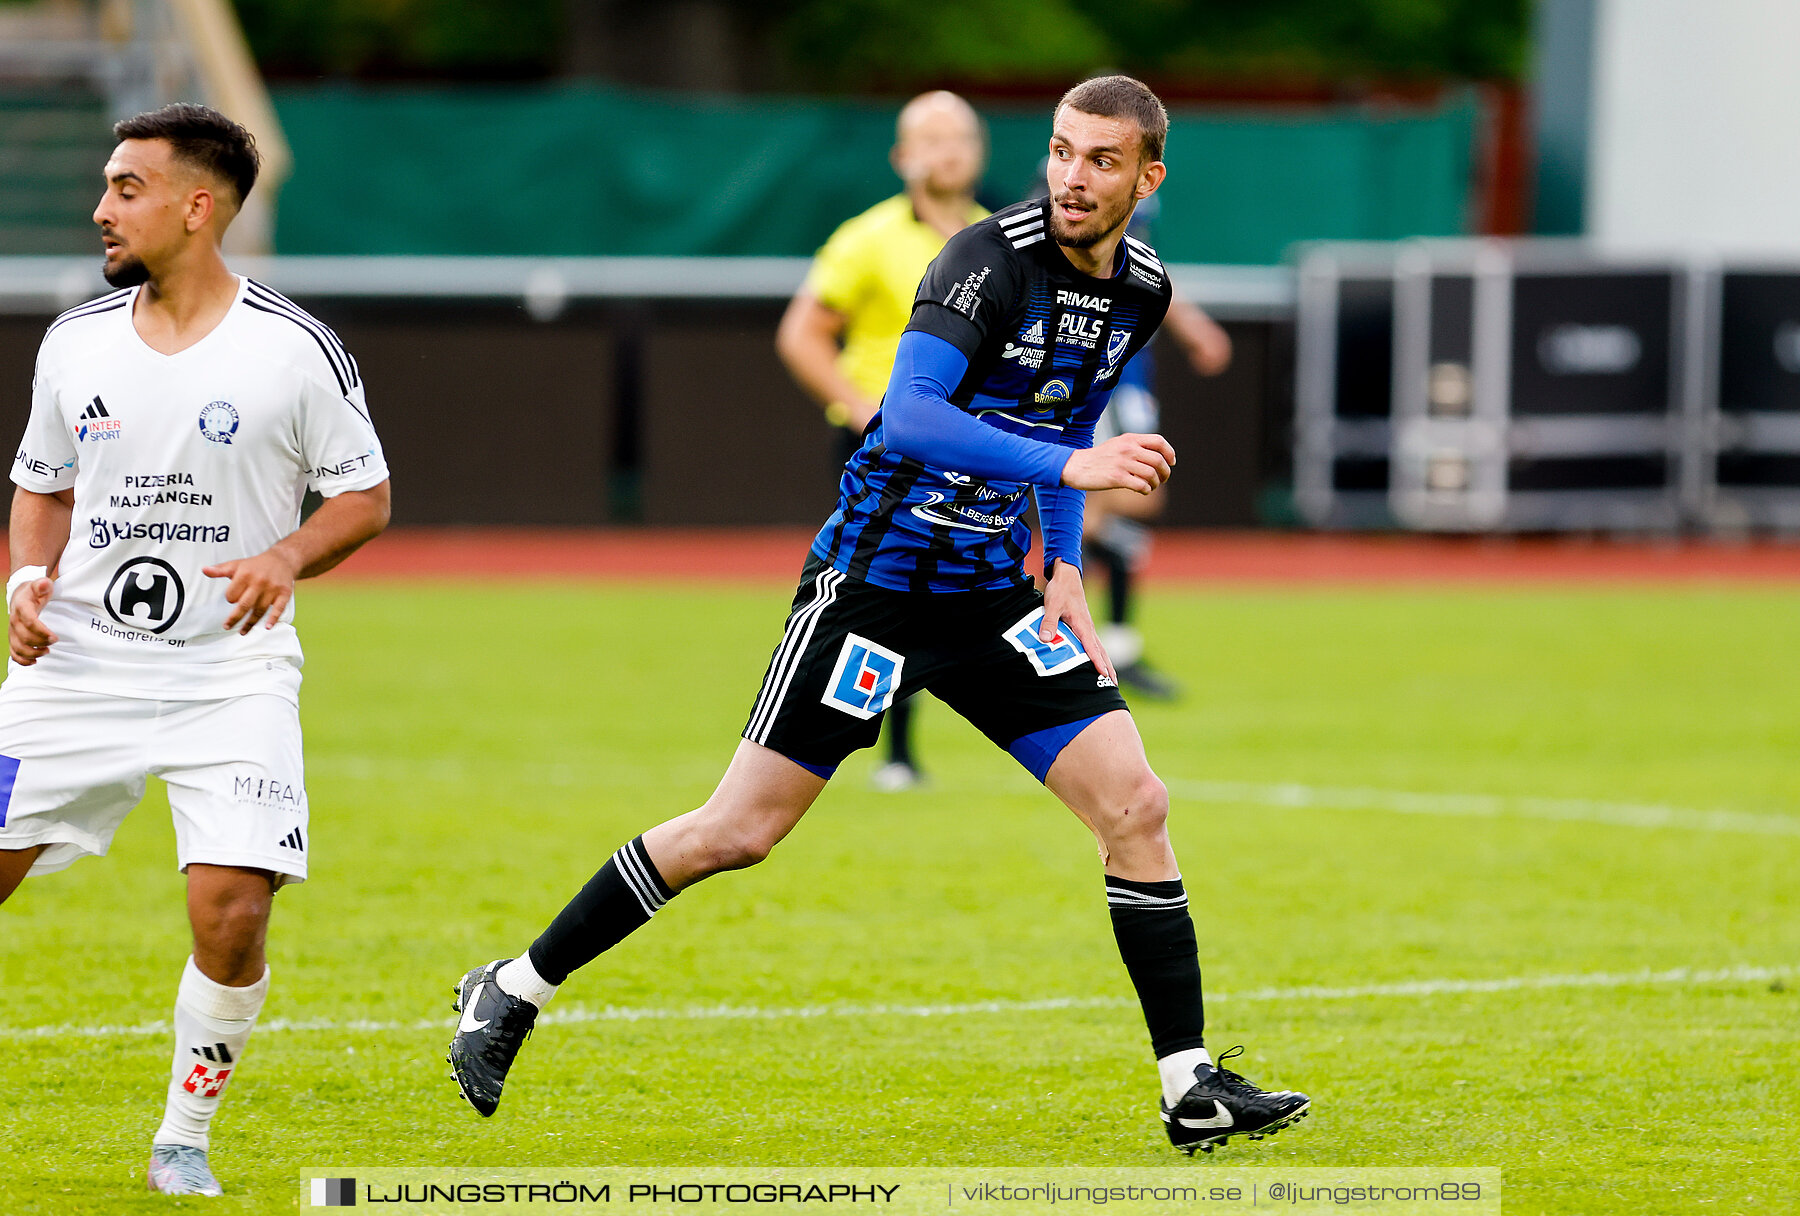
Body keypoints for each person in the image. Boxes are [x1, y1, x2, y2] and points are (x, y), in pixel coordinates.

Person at [447, 75, 1308, 1155]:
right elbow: (906, 417)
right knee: (738, 832)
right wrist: (1078, 464)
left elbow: (1071, 415)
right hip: (877, 590)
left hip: (996, 595)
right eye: (1059, 151)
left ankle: (1190, 1084)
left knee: (1136, 803)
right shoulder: (985, 261)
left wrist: (1066, 563)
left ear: (1149, 176)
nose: (1074, 177)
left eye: (1100, 160)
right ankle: (514, 984)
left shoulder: (1140, 286)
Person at [1, 103, 390, 1196]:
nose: (101, 207)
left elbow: (365, 495)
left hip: (232, 676)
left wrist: (288, 556)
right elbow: (38, 490)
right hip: (72, 671)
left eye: (127, 186)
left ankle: (183, 1137)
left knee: (232, 914)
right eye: (108, 185)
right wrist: (27, 582)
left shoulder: (294, 348)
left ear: (196, 205)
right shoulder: (74, 342)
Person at [776, 90, 989, 791]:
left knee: (953, 592)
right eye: (929, 137)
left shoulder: (998, 240)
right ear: (900, 156)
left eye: (959, 135)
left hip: (969, 454)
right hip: (886, 450)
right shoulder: (867, 238)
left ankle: (905, 746)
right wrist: (864, 410)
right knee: (878, 595)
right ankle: (853, 746)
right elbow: (802, 333)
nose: (947, 148)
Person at [1082, 197, 1234, 701]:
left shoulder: (1134, 249)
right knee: (1123, 501)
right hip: (1097, 390)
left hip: (1127, 387)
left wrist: (1195, 329)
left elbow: (1150, 277)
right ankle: (1057, 637)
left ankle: (1115, 650)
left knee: (1127, 528)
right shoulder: (1061, 244)